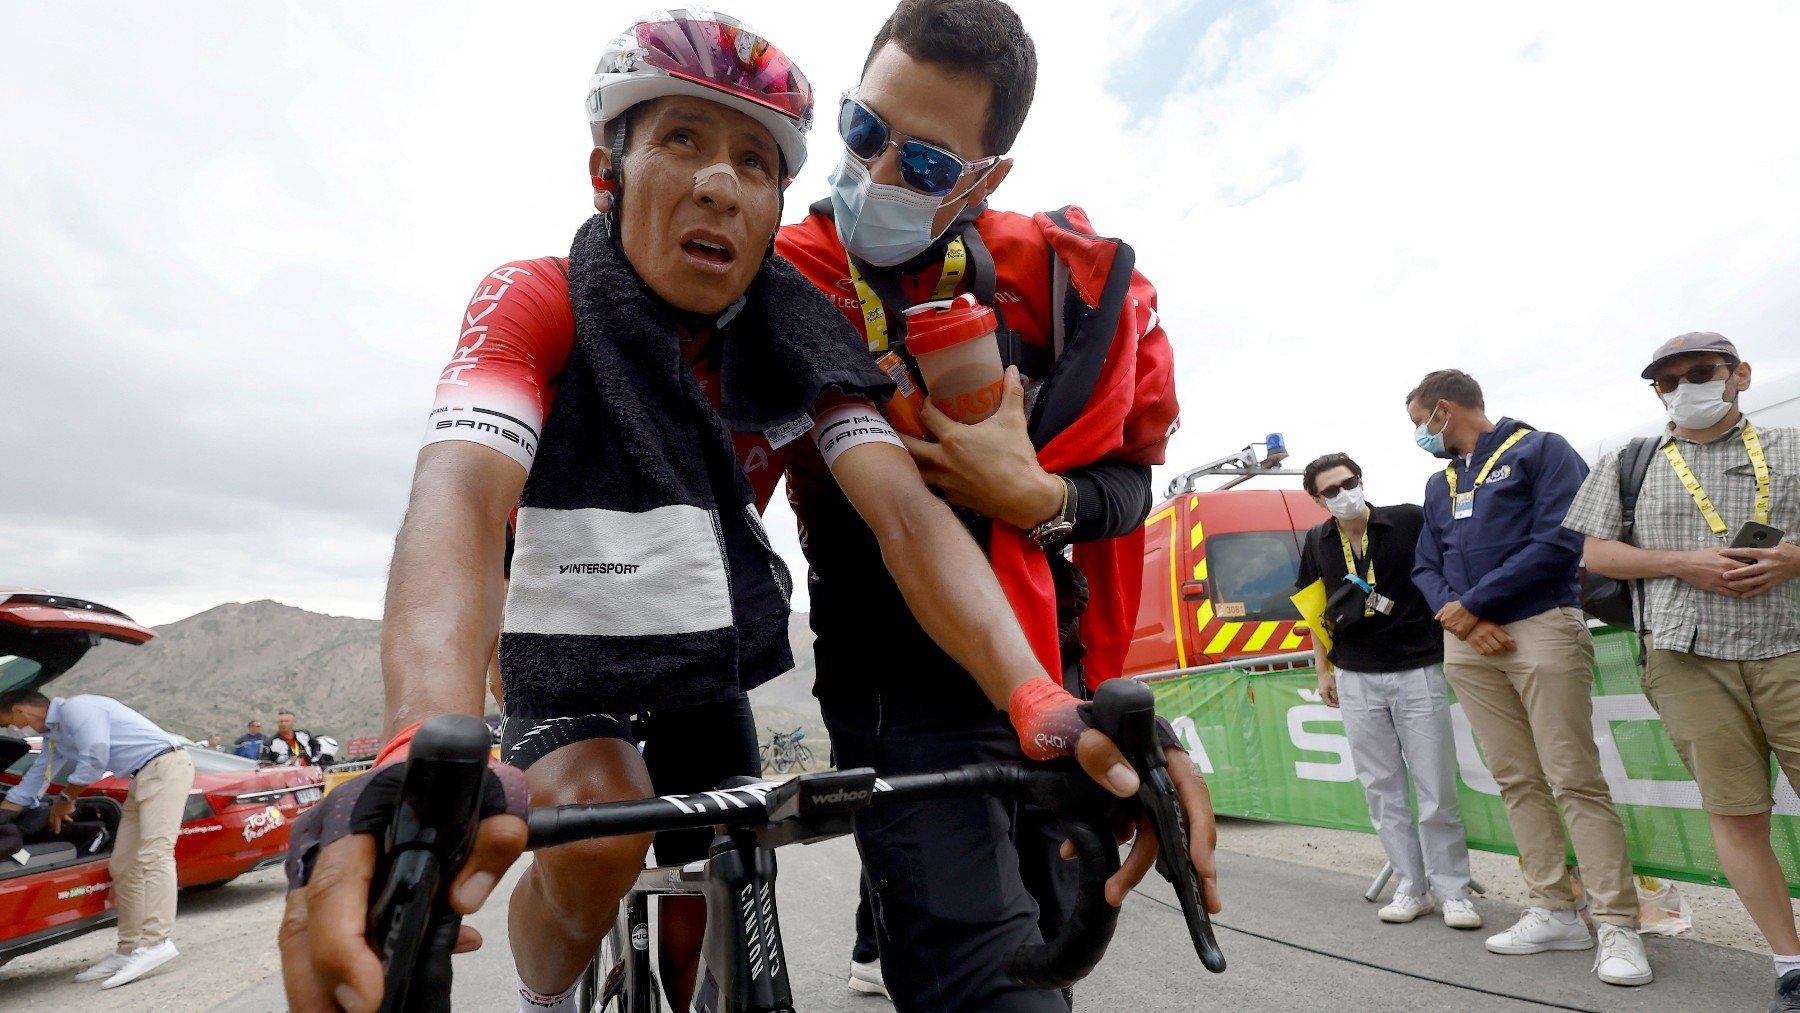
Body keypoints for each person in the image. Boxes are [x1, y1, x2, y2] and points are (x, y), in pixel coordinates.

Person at [277, 12, 1213, 1013]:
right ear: (611, 170)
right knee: (600, 821)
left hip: (696, 654)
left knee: (708, 905)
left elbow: (904, 516)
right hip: (556, 645)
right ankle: (546, 997)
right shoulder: (536, 297)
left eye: (757, 161)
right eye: (681, 138)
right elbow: (457, 498)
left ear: (774, 207)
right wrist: (418, 736)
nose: (720, 180)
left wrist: (1038, 700)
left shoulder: (798, 328)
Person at [774, 2, 1206, 1008]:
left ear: (984, 177)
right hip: (895, 680)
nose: (877, 174)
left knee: (1058, 948)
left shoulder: (1058, 281)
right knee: (992, 980)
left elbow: (1129, 488)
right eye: (864, 131)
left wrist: (1039, 495)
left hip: (1050, 661)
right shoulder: (783, 269)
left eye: (924, 165)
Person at [1563, 333, 1800, 1011]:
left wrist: (1793, 558)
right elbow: (1596, 552)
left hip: (1789, 642)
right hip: (1684, 654)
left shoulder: (1790, 445)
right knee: (1737, 814)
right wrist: (1680, 561)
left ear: (1740, 374)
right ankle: (1790, 964)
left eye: (1702, 373)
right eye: (1669, 382)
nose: (1686, 387)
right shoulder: (1628, 460)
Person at [1406, 369, 1651, 986]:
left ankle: (1617, 921)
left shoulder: (1541, 450)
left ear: (1442, 410)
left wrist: (1477, 603)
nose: (1419, 436)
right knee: (1515, 777)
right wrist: (1459, 617)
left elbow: (1560, 539)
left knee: (1573, 776)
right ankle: (1552, 907)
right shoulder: (1442, 483)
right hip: (1466, 639)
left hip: (1539, 624)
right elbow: (1425, 564)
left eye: (1418, 423)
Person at [1294, 453, 1478, 929]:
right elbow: (1316, 610)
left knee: (1435, 784)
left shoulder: (1407, 521)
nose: (1344, 494)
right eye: (1331, 491)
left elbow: (1444, 571)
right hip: (1356, 673)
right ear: (1316, 500)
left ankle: (1453, 891)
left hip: (1417, 666)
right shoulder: (1317, 541)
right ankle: (1411, 886)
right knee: (1381, 788)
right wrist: (1323, 671)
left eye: (1349, 482)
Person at [0, 689, 194, 989]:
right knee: (124, 866)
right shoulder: (56, 737)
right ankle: (128, 949)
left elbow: (95, 755)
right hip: (142, 777)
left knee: (155, 855)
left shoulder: (77, 709)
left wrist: (67, 798)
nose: (17, 730)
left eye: (12, 723)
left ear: (22, 711)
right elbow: (34, 782)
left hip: (165, 767)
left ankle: (157, 944)